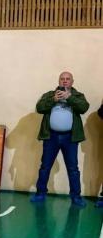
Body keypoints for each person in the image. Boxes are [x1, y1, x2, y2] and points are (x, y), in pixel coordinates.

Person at [31, 72, 89, 207]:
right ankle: (40, 193)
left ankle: (76, 197)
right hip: (51, 136)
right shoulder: (50, 95)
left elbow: (84, 108)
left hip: (70, 138)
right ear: (59, 81)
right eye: (62, 79)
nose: (65, 81)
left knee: (73, 168)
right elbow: (39, 108)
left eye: (68, 79)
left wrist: (69, 97)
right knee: (45, 166)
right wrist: (53, 100)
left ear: (72, 82)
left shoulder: (78, 96)